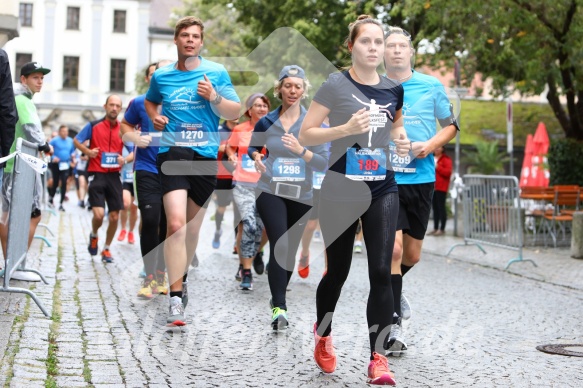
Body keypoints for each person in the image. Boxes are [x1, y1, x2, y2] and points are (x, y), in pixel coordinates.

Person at [299, 15, 410, 385]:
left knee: (381, 270)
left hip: (382, 186)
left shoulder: (394, 89)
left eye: (379, 42)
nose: (374, 48)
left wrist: (401, 139)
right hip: (340, 188)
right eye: (366, 42)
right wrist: (345, 129)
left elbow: (396, 125)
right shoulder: (335, 84)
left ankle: (378, 357)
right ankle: (324, 334)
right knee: (338, 273)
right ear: (352, 46)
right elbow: (308, 133)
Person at [145, 16, 240, 326]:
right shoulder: (162, 76)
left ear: (201, 42)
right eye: (184, 35)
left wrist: (213, 96)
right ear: (176, 40)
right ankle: (174, 299)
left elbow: (235, 112)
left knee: (190, 230)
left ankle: (180, 276)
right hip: (172, 153)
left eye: (195, 36)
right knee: (174, 224)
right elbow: (151, 103)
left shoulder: (216, 72)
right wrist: (156, 118)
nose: (189, 40)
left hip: (204, 157)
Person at [384, 25, 459, 356]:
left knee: (412, 255)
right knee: (396, 252)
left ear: (411, 52)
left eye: (402, 46)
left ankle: (393, 287)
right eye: (391, 46)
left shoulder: (430, 85)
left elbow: (452, 126)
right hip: (387, 181)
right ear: (384, 53)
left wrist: (429, 145)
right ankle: (393, 324)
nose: (397, 51)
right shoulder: (376, 87)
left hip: (422, 180)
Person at [248, 65, 328, 330]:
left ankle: (277, 291)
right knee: (280, 243)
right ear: (279, 89)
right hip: (270, 189)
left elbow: (323, 162)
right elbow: (252, 148)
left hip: (302, 195)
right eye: (288, 85)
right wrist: (257, 156)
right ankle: (279, 307)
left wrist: (302, 151)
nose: (292, 90)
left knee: (289, 251)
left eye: (298, 86)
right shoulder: (266, 121)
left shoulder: (313, 123)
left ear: (304, 91)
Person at [120, 60, 170, 298]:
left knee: (168, 224)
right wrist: (134, 139)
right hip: (146, 167)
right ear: (149, 79)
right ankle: (150, 277)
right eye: (154, 74)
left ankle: (161, 273)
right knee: (150, 219)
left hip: (173, 169)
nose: (159, 77)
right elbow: (125, 125)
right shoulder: (139, 102)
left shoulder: (180, 103)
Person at [0, 61, 53, 271]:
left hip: (15, 166)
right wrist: (45, 145)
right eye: (35, 78)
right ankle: (15, 263)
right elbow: (32, 130)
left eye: (42, 78)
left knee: (8, 216)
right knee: (27, 215)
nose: (40, 82)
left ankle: (11, 263)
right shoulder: (23, 100)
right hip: (20, 167)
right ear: (23, 80)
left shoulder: (20, 98)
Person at [74, 95, 126, 264]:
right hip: (97, 174)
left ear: (120, 108)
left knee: (114, 217)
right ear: (105, 106)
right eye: (111, 105)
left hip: (114, 176)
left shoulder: (124, 129)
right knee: (98, 215)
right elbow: (77, 140)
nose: (114, 108)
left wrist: (125, 160)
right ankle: (94, 235)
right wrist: (87, 152)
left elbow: (134, 150)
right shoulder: (93, 125)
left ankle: (107, 248)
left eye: (118, 106)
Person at [226, 93, 269, 290]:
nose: (261, 109)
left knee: (264, 228)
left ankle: (254, 253)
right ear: (249, 109)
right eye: (257, 106)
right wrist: (232, 156)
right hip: (243, 183)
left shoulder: (273, 129)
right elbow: (229, 147)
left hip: (265, 184)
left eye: (264, 106)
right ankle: (246, 271)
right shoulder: (240, 129)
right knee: (247, 224)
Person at [211, 117, 238, 250]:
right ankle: (217, 230)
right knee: (221, 207)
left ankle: (237, 241)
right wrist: (219, 148)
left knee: (238, 209)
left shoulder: (243, 131)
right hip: (222, 175)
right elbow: (208, 149)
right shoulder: (218, 131)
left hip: (239, 176)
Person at [48, 125, 76, 211]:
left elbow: (72, 151)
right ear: (60, 132)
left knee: (64, 182)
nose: (65, 133)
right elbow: (48, 150)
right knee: (55, 182)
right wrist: (53, 158)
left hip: (65, 164)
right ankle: (51, 197)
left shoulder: (70, 141)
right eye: (63, 131)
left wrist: (73, 157)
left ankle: (61, 203)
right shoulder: (54, 140)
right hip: (56, 164)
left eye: (66, 131)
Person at [117, 143, 137, 243]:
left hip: (136, 179)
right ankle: (123, 229)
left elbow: (135, 155)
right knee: (125, 204)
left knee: (134, 209)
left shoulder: (138, 143)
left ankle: (131, 232)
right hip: (125, 179)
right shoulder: (122, 143)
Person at [429, 146, 453, 235]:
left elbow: (447, 172)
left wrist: (437, 166)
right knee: (434, 208)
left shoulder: (446, 159)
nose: (437, 149)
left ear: (443, 148)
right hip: (432, 187)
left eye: (439, 147)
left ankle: (442, 229)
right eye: (435, 147)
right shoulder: (430, 158)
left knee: (441, 208)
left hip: (441, 187)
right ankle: (435, 228)